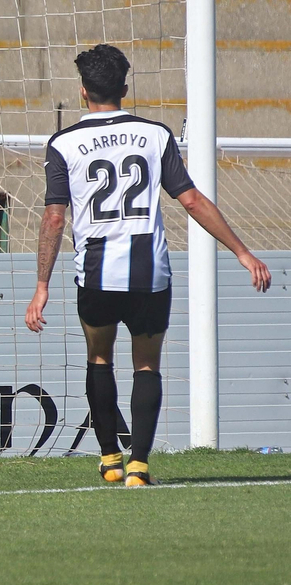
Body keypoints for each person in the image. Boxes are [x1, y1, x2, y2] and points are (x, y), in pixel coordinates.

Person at [25, 44, 270, 487]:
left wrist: (41, 285)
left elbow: (54, 216)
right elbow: (191, 200)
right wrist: (241, 251)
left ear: (83, 92)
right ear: (124, 87)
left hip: (96, 271)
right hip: (149, 272)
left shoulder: (64, 143)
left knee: (99, 358)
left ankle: (109, 460)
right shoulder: (155, 134)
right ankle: (139, 465)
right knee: (147, 366)